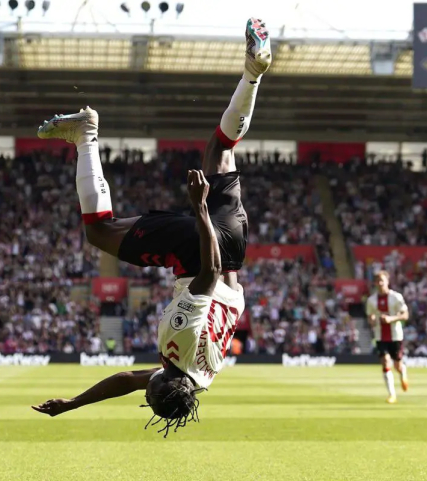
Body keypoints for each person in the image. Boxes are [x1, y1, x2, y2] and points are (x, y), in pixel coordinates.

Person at [32, 17, 271, 436]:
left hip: (233, 244)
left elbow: (127, 380)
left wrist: (72, 404)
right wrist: (198, 211)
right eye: (151, 393)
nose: (146, 389)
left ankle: (252, 74)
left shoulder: (199, 378)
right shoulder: (177, 339)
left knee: (221, 146)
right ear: (164, 385)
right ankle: (86, 133)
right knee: (99, 232)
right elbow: (208, 275)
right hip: (202, 251)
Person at [366, 270, 410, 404]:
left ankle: (403, 374)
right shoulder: (371, 300)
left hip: (395, 335)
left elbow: (405, 315)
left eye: (382, 281)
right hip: (380, 336)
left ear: (387, 281)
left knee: (397, 365)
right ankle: (392, 395)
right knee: (385, 362)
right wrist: (372, 320)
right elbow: (370, 316)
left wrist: (391, 319)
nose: (380, 283)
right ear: (374, 283)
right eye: (377, 281)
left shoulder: (396, 297)